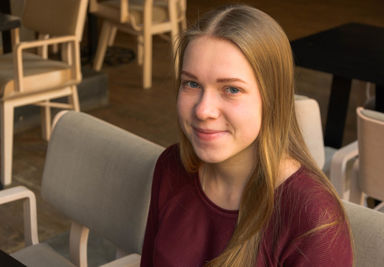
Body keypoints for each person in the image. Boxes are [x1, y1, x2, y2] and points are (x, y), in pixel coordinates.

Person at [140, 4, 353, 266]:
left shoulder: (312, 217)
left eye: (231, 89)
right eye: (192, 84)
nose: (204, 110)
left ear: (273, 98)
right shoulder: (171, 166)